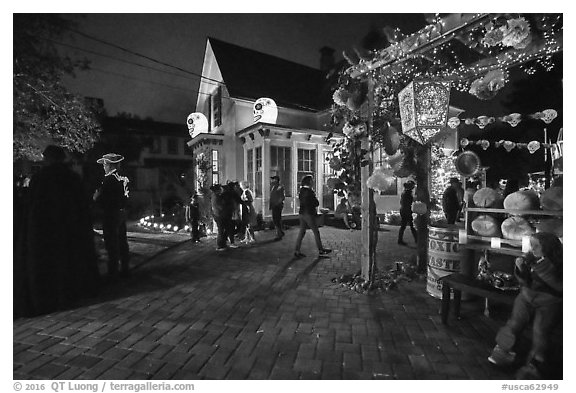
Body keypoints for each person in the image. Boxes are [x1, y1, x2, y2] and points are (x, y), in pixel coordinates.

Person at [17, 145, 99, 316]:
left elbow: (32, 208)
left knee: (50, 265)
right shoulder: (73, 178)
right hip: (70, 231)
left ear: (49, 158)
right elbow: (81, 207)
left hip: (46, 233)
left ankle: (51, 296)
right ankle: (68, 294)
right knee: (67, 261)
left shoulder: (41, 179)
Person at [488, 232, 562, 379]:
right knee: (514, 323)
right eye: (531, 245)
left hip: (548, 300)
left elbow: (559, 287)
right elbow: (525, 282)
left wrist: (539, 268)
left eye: (536, 246)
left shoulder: (558, 264)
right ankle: (502, 350)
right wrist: (521, 269)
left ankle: (535, 363)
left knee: (540, 330)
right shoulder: (531, 259)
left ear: (547, 248)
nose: (532, 249)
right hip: (527, 296)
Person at [93, 153, 130, 278]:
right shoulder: (122, 178)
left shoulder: (109, 180)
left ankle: (113, 272)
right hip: (120, 213)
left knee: (111, 243)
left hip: (111, 215)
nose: (103, 166)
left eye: (105, 164)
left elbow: (106, 200)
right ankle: (125, 268)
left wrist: (96, 198)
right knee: (121, 242)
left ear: (110, 165)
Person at [293, 175, 332, 258]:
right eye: (312, 180)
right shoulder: (310, 192)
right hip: (309, 214)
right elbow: (316, 203)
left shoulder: (301, 191)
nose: (313, 182)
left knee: (302, 232)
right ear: (309, 182)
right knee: (316, 231)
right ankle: (321, 250)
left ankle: (297, 250)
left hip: (302, 213)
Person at [398, 180, 418, 245]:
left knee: (403, 226)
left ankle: (400, 240)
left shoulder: (404, 192)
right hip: (406, 211)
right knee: (411, 226)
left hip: (403, 210)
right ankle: (417, 239)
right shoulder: (407, 193)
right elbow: (410, 201)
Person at [269, 175, 285, 241]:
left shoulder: (279, 187)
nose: (272, 180)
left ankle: (278, 234)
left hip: (277, 206)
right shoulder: (273, 187)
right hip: (274, 205)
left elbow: (282, 197)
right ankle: (280, 232)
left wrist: (277, 203)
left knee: (276, 220)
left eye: (273, 179)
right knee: (276, 219)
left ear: (276, 180)